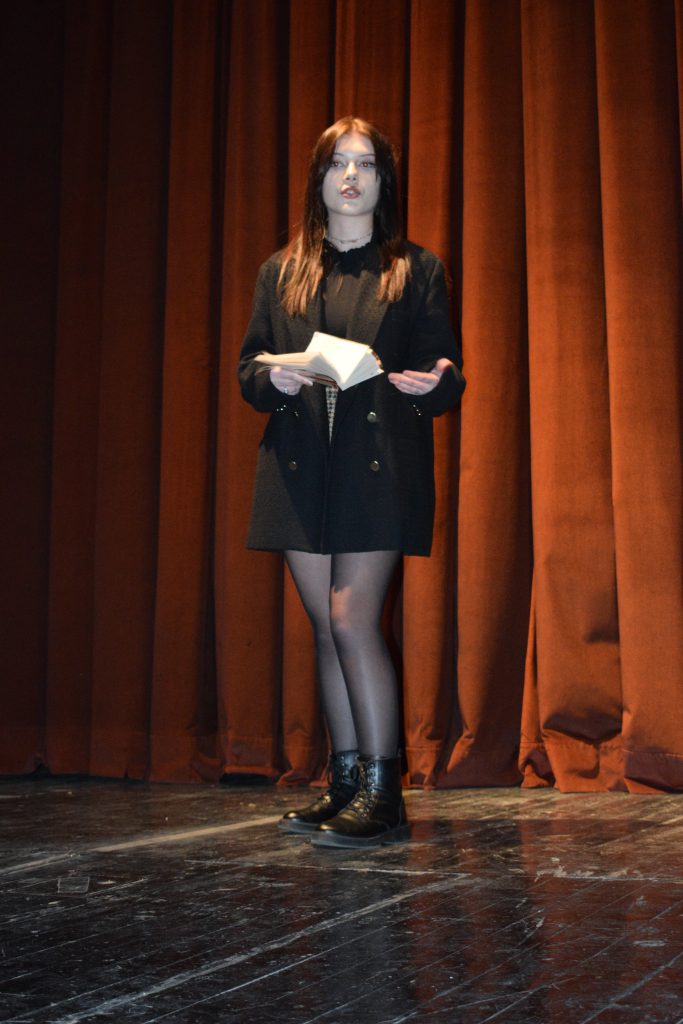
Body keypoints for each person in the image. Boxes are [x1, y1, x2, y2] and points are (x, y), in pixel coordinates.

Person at [238, 116, 465, 848]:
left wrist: (434, 382)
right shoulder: (281, 272)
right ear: (319, 179)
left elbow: (444, 368)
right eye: (338, 163)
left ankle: (383, 792)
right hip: (302, 468)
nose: (350, 176)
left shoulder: (414, 270)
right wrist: (271, 378)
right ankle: (343, 784)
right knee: (325, 630)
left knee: (349, 620)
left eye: (365, 165)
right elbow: (249, 368)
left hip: (377, 468)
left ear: (382, 181)